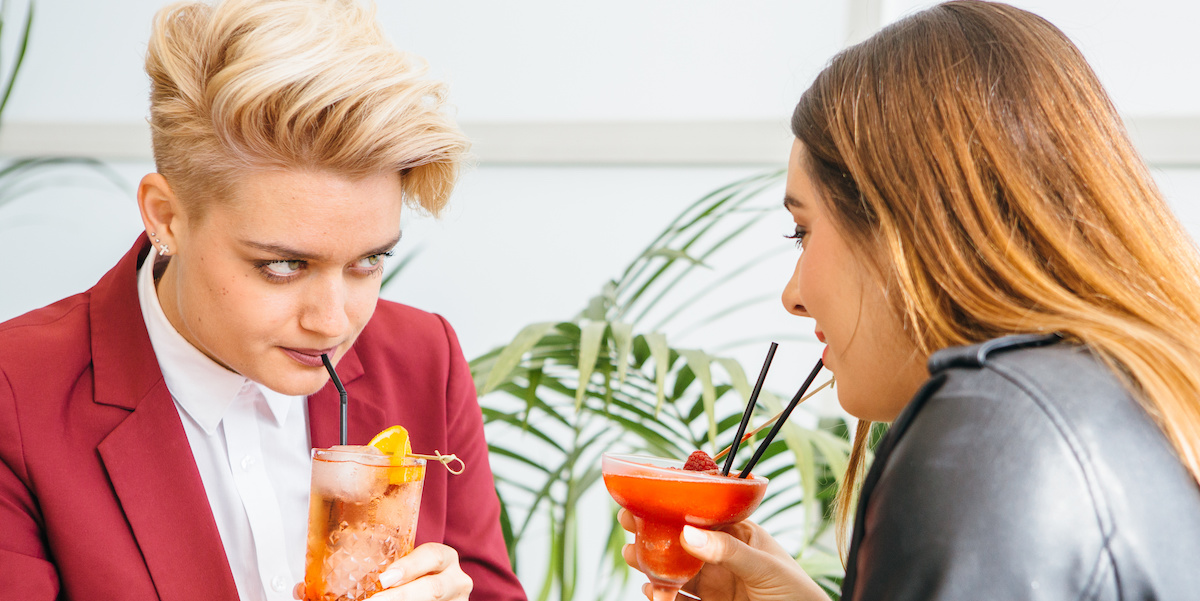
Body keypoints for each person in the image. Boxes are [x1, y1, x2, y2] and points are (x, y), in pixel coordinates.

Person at [619, 1, 1200, 599]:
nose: (792, 296)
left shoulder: (984, 438)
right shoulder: (1129, 401)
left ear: (906, 224)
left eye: (804, 231)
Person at [0, 1, 526, 601]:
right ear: (166, 217)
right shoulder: (16, 397)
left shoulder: (424, 358)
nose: (332, 321)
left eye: (369, 262)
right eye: (281, 266)